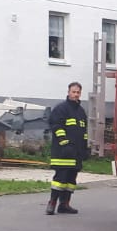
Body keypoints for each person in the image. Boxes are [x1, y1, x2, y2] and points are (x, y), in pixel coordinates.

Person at [45, 82, 89, 215]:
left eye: (78, 92)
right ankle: (52, 203)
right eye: (73, 92)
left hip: (76, 154)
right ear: (68, 92)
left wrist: (85, 148)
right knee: (60, 179)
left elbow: (83, 132)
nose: (76, 94)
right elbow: (56, 126)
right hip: (63, 152)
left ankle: (64, 205)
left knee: (71, 180)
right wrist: (64, 143)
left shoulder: (81, 112)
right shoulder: (61, 108)